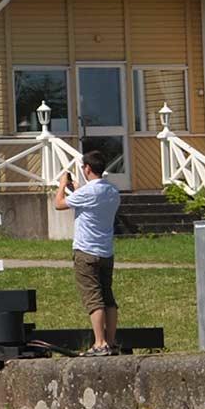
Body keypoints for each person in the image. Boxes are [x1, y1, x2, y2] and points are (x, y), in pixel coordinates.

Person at [55, 149, 126, 356]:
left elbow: (58, 204)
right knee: (108, 297)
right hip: (106, 251)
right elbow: (91, 199)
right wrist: (77, 189)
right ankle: (111, 342)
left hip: (86, 251)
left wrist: (62, 185)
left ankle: (99, 343)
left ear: (87, 168)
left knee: (93, 298)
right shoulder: (112, 191)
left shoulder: (87, 193)